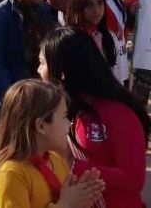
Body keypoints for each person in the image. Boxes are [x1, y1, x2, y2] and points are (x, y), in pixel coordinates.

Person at [39, 27, 151, 208]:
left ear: (62, 72)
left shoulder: (119, 113)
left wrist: (72, 166)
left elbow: (133, 178)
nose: (38, 70)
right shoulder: (64, 109)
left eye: (42, 63)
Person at [0, 79, 105, 208]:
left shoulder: (56, 160)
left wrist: (80, 198)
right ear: (41, 126)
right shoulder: (11, 174)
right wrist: (65, 204)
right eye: (64, 116)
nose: (69, 123)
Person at [63, 0, 129, 82]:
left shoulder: (108, 37)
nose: (97, 10)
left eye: (100, 3)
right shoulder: (67, 40)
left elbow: (115, 75)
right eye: (89, 5)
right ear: (77, 7)